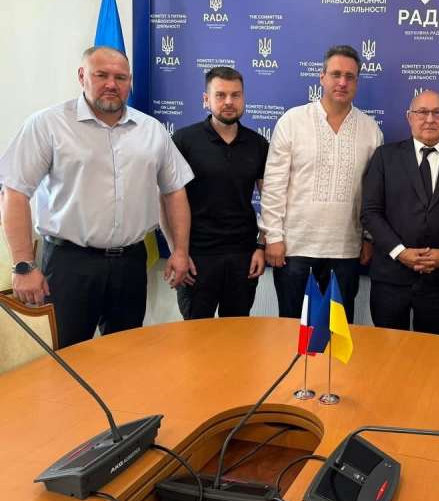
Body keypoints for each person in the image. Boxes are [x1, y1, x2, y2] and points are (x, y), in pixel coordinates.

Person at [0, 46, 193, 348]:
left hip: (130, 264)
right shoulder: (48, 125)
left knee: (125, 355)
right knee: (66, 358)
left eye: (121, 77)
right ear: (82, 76)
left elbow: (174, 192)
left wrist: (179, 251)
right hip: (70, 265)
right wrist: (23, 264)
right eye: (101, 75)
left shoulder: (151, 130)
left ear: (130, 82)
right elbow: (14, 192)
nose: (111, 84)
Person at [260, 45, 382, 321]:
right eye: (336, 74)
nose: (342, 82)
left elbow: (373, 194)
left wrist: (368, 238)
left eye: (350, 77)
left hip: (345, 250)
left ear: (357, 82)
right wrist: (273, 237)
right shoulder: (293, 121)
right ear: (322, 77)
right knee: (293, 330)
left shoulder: (371, 130)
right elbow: (274, 185)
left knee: (337, 332)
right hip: (294, 248)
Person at [361, 90, 439, 335]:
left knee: (432, 350)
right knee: (388, 349)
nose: (430, 119)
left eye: (437, 113)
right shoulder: (385, 157)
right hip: (391, 277)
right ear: (409, 117)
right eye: (422, 112)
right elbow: (370, 212)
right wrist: (400, 252)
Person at [168, 67, 269, 319]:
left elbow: (271, 200)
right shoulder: (184, 140)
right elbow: (166, 201)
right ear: (206, 99)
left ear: (243, 98)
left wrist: (261, 246)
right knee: (195, 334)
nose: (229, 102)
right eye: (220, 95)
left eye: (236, 95)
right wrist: (177, 251)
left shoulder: (258, 144)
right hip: (197, 257)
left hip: (243, 256)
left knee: (236, 332)